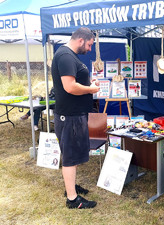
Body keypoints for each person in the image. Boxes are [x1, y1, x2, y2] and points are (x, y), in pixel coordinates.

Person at [51, 27, 100, 209]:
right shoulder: (65, 56)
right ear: (81, 40)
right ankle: (72, 199)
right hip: (69, 116)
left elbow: (76, 82)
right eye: (89, 45)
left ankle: (70, 187)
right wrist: (91, 89)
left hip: (76, 115)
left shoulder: (70, 56)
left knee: (75, 154)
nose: (89, 49)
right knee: (70, 157)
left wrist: (89, 84)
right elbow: (70, 87)